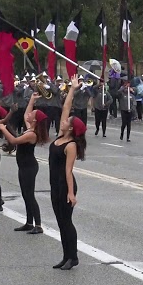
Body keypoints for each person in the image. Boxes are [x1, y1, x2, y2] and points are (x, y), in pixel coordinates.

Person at [0, 93, 50, 235]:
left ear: (35, 120)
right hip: (23, 166)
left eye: (32, 114)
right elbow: (26, 113)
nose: (28, 115)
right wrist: (32, 100)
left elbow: (14, 141)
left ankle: (38, 225)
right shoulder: (30, 128)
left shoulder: (31, 134)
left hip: (29, 167)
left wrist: (3, 129)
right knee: (25, 194)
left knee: (30, 195)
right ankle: (28, 222)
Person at [49, 80, 87, 270]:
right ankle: (66, 256)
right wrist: (72, 89)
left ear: (71, 128)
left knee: (66, 222)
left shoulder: (70, 145)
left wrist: (71, 194)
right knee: (60, 223)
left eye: (67, 121)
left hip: (65, 186)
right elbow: (65, 107)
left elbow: (68, 172)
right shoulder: (60, 136)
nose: (63, 120)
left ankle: (73, 257)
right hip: (54, 185)